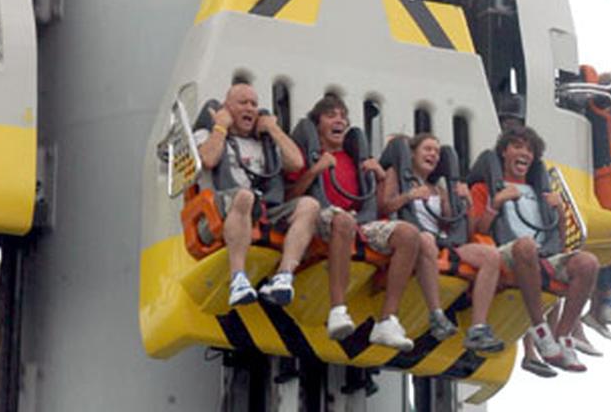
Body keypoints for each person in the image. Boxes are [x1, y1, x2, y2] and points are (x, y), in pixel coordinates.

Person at [284, 95, 456, 351]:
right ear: (318, 123)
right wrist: (316, 169)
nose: (339, 119)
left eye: (343, 115)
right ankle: (338, 309)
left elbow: (377, 206)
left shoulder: (354, 159)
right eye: (332, 115)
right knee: (342, 221)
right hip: (322, 215)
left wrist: (378, 177)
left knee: (408, 234)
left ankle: (387, 320)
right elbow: (292, 196)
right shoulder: (309, 155)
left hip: (356, 220)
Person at [469, 126, 599, 374]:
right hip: (506, 252)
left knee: (588, 262)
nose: (524, 153)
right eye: (517, 147)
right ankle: (540, 330)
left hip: (542, 255)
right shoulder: (486, 188)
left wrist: (559, 211)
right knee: (526, 246)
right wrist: (496, 204)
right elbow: (477, 230)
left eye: (529, 149)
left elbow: (558, 241)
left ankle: (563, 336)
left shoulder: (541, 193)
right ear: (504, 152)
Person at [195, 83, 320, 307]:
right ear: (227, 107)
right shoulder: (209, 134)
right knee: (244, 196)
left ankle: (284, 275)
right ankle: (238, 279)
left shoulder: (263, 144)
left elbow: (296, 163)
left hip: (263, 208)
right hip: (222, 207)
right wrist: (221, 127)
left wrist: (274, 130)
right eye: (243, 103)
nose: (250, 109)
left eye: (254, 104)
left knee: (309, 205)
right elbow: (208, 159)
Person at [379, 133, 504, 353]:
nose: (433, 155)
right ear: (413, 154)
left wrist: (465, 201)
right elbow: (383, 207)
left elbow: (459, 226)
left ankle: (478, 327)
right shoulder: (395, 175)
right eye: (427, 149)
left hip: (442, 242)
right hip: (412, 238)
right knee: (425, 238)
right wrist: (409, 196)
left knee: (491, 256)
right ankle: (437, 314)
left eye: (436, 152)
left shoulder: (439, 190)